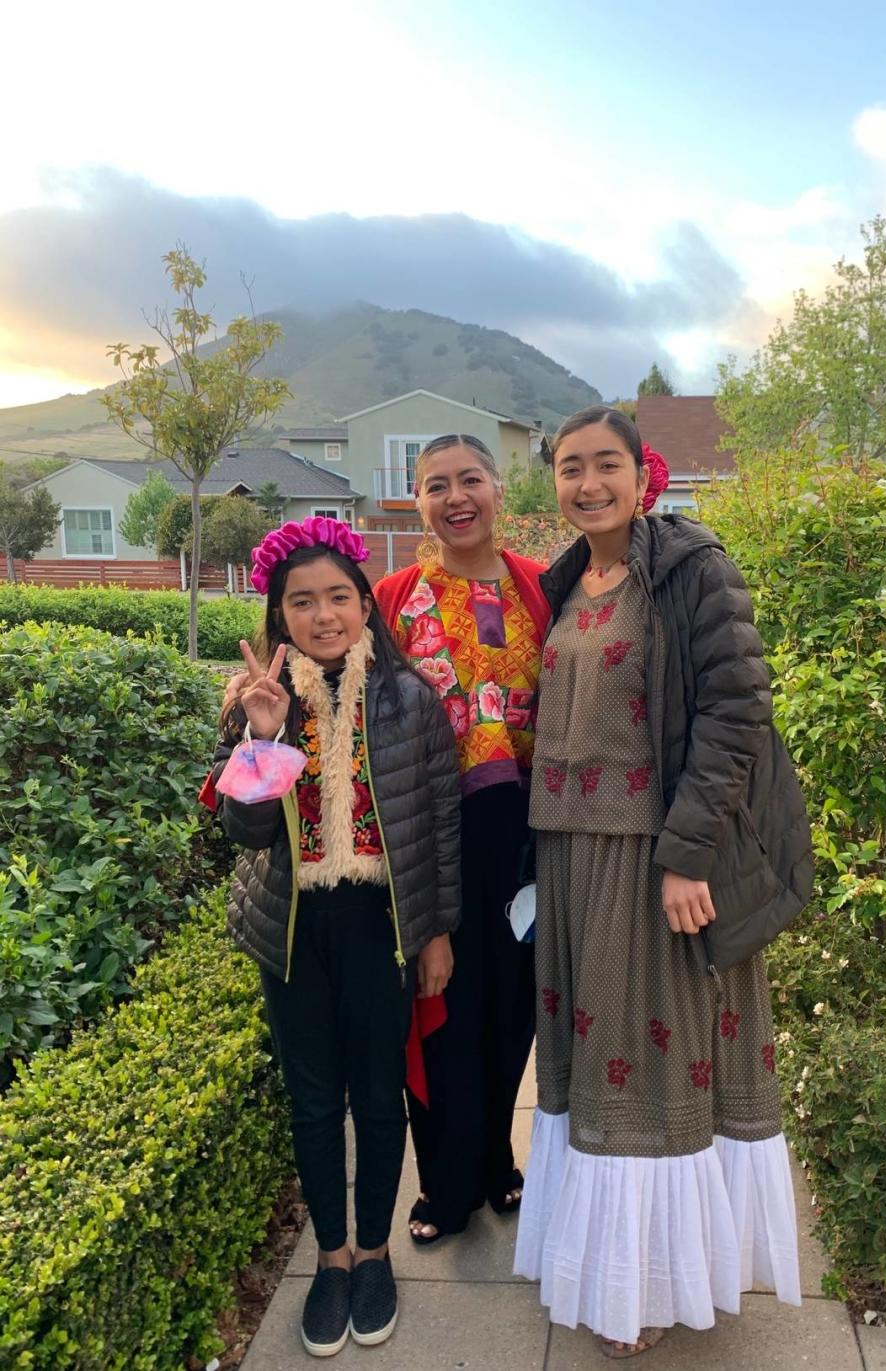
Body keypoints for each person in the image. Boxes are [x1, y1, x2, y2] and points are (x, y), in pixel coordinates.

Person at [514, 406, 812, 1358]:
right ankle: (606, 1259)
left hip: (650, 859)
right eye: (570, 468)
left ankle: (646, 1283)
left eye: (607, 464)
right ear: (553, 482)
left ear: (644, 475)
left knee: (646, 1068)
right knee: (591, 1073)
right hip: (567, 855)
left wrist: (686, 853)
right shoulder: (565, 582)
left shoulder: (690, 569)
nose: (588, 483)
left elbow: (737, 711)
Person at [209, 516, 461, 1358]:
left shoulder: (411, 699)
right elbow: (242, 835)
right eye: (302, 602)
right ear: (279, 616)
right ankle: (331, 1258)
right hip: (293, 931)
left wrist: (433, 934)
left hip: (379, 927)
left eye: (339, 598)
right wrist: (264, 736)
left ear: (364, 604)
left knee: (379, 1094)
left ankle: (378, 1253)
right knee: (314, 1101)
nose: (324, 616)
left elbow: (436, 828)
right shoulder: (253, 702)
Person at [374, 433, 551, 1243]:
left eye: (470, 478)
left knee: (510, 1005)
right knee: (440, 1002)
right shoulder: (393, 597)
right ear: (417, 500)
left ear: (497, 488)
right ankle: (442, 1187)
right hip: (431, 834)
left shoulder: (540, 589)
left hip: (523, 832)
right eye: (435, 484)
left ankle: (496, 1164)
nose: (456, 496)